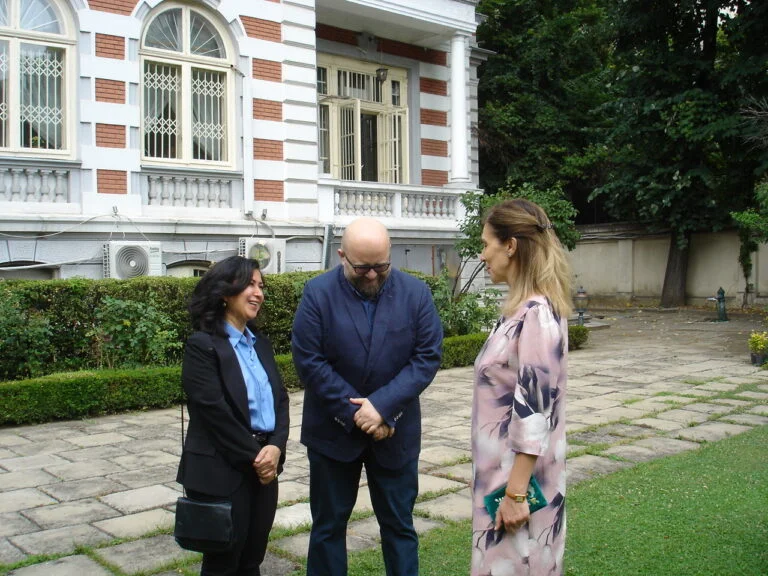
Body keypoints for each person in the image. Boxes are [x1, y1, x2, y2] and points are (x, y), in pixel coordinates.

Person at [291, 217, 443, 576]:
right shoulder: (317, 293)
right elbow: (309, 361)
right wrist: (360, 413)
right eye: (362, 268)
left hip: (395, 434)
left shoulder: (416, 293)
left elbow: (426, 357)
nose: (372, 275)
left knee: (399, 527)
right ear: (342, 256)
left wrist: (384, 408)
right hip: (332, 434)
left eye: (381, 266)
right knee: (328, 528)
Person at [471, 199, 571, 575]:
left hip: (519, 488)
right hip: (503, 481)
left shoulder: (537, 315)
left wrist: (514, 495)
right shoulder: (520, 311)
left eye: (486, 244)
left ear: (510, 246)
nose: (482, 255)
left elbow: (534, 413)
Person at [176, 256, 289, 576]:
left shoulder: (260, 344)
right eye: (250, 285)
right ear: (225, 292)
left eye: (261, 286)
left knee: (252, 559)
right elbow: (214, 413)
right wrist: (258, 458)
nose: (258, 293)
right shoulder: (202, 346)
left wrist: (276, 447)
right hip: (223, 469)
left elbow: (280, 400)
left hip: (265, 466)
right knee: (223, 564)